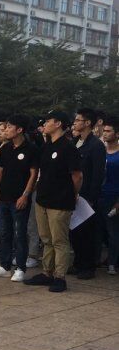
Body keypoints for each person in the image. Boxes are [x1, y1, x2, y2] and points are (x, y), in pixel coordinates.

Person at [24, 110, 82, 293]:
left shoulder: (68, 147)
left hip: (60, 201)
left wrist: (72, 194)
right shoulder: (46, 146)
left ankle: (60, 276)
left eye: (48, 121)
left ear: (58, 124)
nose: (45, 124)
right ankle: (47, 272)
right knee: (46, 238)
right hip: (43, 199)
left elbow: (77, 176)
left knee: (59, 240)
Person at [0, 115, 39, 282]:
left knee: (20, 234)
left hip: (19, 198)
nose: (6, 130)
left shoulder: (31, 148)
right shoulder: (6, 148)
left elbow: (33, 174)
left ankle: (20, 268)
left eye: (10, 127)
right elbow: (0, 171)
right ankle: (4, 266)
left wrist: (25, 195)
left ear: (20, 129)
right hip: (3, 197)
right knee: (4, 233)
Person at [69, 108, 106, 280]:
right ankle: (78, 262)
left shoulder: (96, 145)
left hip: (87, 196)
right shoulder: (75, 142)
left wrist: (91, 198)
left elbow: (98, 174)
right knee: (74, 231)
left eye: (78, 120)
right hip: (73, 193)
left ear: (88, 123)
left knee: (88, 232)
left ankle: (88, 266)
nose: (75, 123)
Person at [100, 117, 118, 275]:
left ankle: (113, 262)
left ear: (117, 134)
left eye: (108, 131)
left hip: (114, 196)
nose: (105, 134)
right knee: (100, 231)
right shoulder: (100, 151)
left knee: (113, 231)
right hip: (99, 195)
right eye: (104, 131)